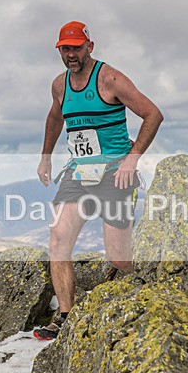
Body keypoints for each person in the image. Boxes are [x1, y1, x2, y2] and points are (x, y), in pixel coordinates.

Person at [34, 21, 163, 340]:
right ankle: (64, 317)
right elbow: (55, 117)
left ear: (89, 47)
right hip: (78, 173)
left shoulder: (110, 79)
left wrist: (132, 159)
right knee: (57, 238)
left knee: (118, 257)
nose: (70, 54)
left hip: (115, 174)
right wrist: (46, 155)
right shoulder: (59, 85)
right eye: (65, 48)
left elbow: (153, 114)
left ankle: (161, 293)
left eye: (76, 47)